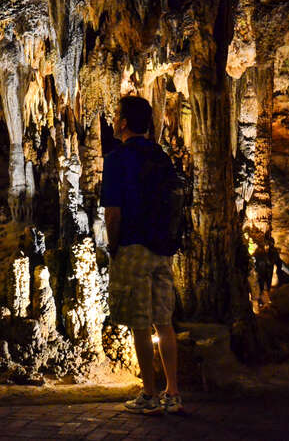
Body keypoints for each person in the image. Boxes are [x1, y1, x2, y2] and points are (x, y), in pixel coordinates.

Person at [102, 96, 182, 415]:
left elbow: (113, 212)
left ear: (123, 123)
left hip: (133, 246)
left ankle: (149, 393)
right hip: (162, 249)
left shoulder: (117, 158)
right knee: (164, 322)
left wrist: (113, 246)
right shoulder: (161, 156)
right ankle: (173, 393)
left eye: (116, 115)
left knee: (140, 322)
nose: (113, 119)